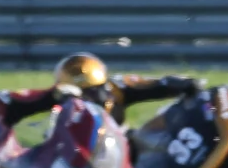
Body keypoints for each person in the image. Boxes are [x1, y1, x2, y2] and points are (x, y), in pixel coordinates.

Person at [51, 52, 204, 127]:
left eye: (94, 90)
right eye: (82, 94)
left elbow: (153, 85)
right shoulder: (57, 107)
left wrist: (181, 84)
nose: (90, 98)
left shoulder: (117, 87)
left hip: (123, 151)